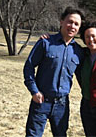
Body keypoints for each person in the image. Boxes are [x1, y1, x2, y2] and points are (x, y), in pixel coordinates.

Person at [23, 7, 84, 137]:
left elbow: (83, 77)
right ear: (61, 21)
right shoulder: (46, 43)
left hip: (62, 105)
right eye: (70, 21)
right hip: (41, 101)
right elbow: (28, 66)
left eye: (76, 24)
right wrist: (34, 91)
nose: (72, 26)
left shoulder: (79, 52)